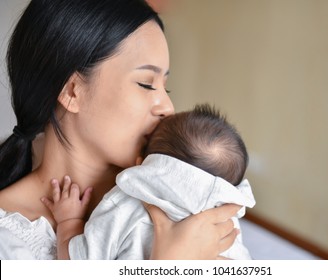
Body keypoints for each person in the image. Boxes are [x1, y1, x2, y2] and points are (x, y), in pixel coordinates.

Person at [0, 0, 241, 260]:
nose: (168, 108)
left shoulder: (182, 197)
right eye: (146, 84)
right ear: (72, 91)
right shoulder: (9, 242)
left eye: (166, 87)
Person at [42, 104, 256, 259]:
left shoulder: (125, 205)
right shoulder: (226, 220)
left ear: (141, 164)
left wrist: (69, 222)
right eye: (146, 84)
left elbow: (77, 265)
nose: (166, 107)